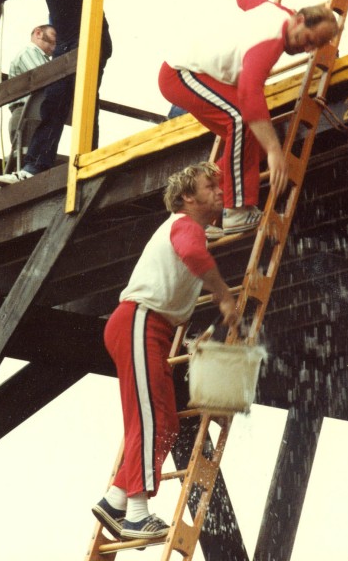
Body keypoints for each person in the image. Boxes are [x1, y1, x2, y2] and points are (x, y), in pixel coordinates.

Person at [92, 161, 239, 540]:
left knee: (164, 421)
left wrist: (195, 334)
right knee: (152, 419)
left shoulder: (188, 229)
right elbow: (192, 253)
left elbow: (177, 285)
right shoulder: (185, 225)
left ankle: (117, 499)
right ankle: (138, 515)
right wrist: (223, 293)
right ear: (188, 197)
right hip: (139, 322)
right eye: (211, 186)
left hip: (148, 326)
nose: (220, 192)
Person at [158, 0, 339, 238]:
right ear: (298, 20)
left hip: (199, 74)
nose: (306, 49)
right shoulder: (270, 44)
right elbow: (248, 93)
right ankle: (236, 212)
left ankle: (193, 214)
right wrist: (275, 150)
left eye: (314, 47)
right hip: (180, 73)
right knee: (241, 118)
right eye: (307, 39)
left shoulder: (277, 12)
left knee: (250, 137)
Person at [0, 0, 112, 187]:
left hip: (89, 30)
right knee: (55, 99)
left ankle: (87, 160)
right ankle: (35, 166)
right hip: (66, 39)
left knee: (84, 98)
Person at [7, 24, 57, 163]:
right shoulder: (29, 52)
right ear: (38, 33)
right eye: (54, 35)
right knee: (29, 161)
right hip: (27, 115)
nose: (56, 42)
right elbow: (46, 80)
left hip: (34, 115)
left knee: (33, 162)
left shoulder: (43, 58)